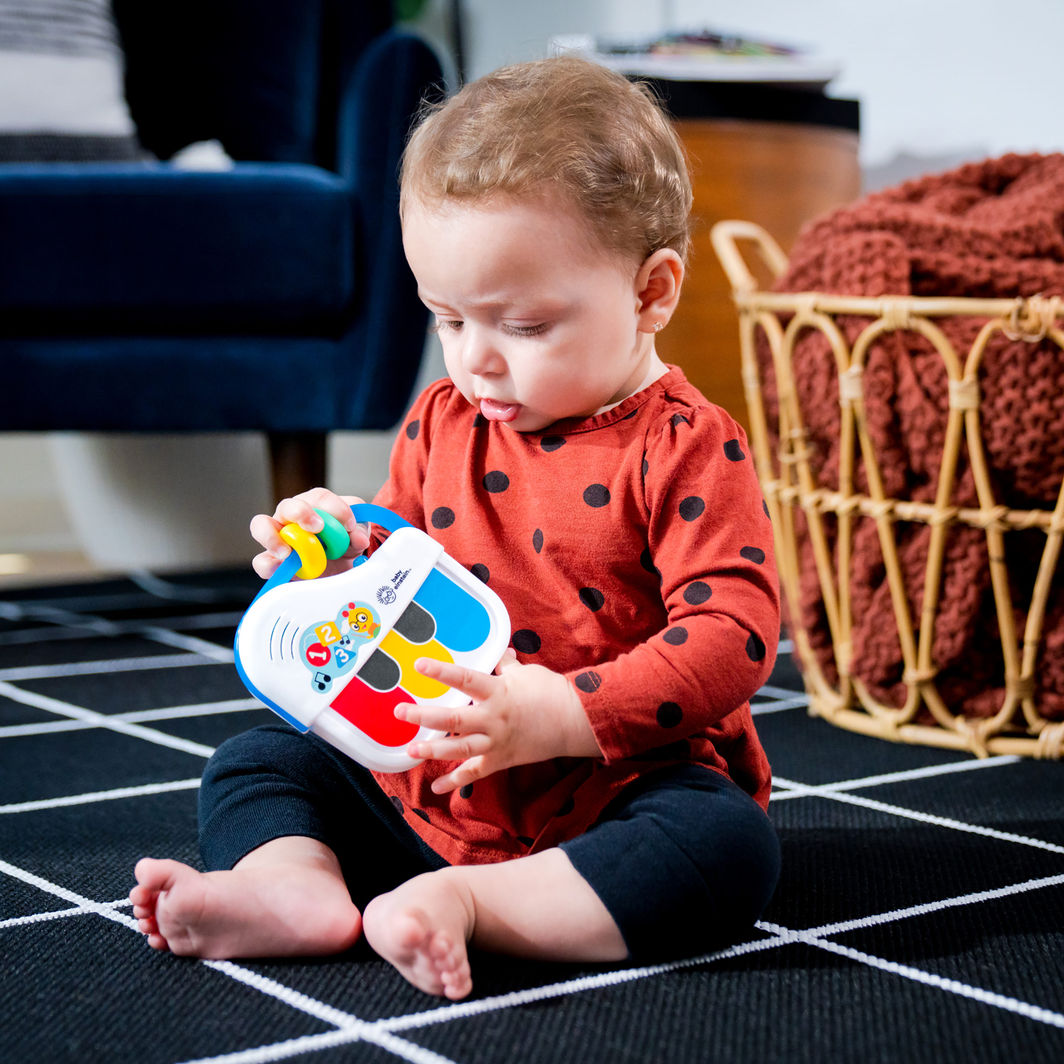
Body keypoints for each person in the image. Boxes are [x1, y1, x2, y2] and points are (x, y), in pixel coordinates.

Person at [130, 55, 782, 1001]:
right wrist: (342, 539)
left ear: (651, 295)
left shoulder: (685, 447)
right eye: (446, 317)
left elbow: (736, 633)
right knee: (255, 760)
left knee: (728, 848)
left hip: (611, 794)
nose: (476, 361)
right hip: (426, 776)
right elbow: (401, 549)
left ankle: (478, 904)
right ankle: (291, 889)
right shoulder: (445, 417)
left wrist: (562, 716)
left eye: (520, 326)